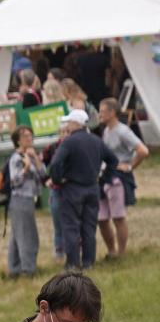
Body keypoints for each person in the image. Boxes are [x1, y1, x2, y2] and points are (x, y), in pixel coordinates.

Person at [46, 109, 104, 270]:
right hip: (92, 188)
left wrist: (57, 180)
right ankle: (88, 262)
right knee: (89, 226)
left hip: (72, 189)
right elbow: (112, 160)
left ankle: (72, 263)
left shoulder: (69, 142)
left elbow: (55, 163)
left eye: (69, 122)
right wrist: (103, 177)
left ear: (76, 123)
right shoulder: (96, 140)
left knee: (70, 226)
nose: (67, 125)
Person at [94, 98, 148, 260]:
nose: (100, 114)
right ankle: (111, 251)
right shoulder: (106, 131)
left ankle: (122, 253)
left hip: (117, 178)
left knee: (118, 216)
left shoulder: (123, 131)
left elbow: (143, 151)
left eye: (103, 111)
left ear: (112, 112)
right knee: (102, 218)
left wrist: (129, 166)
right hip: (105, 177)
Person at [4, 126, 45, 278]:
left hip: (28, 199)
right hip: (20, 199)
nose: (29, 138)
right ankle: (29, 269)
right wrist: (26, 167)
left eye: (30, 135)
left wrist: (35, 160)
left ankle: (14, 269)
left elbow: (43, 174)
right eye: (25, 136)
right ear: (18, 140)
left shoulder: (32, 154)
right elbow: (14, 181)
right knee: (28, 235)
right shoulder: (16, 158)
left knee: (17, 235)